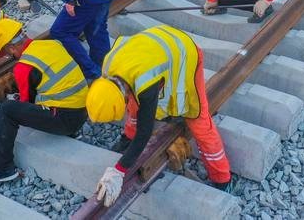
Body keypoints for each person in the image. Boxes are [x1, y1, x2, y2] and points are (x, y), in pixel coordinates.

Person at [86, 25, 233, 206]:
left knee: (198, 118)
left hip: (184, 51)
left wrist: (118, 170)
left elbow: (145, 132)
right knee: (134, 103)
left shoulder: (146, 83)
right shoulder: (108, 68)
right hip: (156, 43)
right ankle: (127, 138)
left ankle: (223, 178)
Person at [0, 19, 88, 185]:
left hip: (66, 122)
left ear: (11, 47)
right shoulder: (51, 44)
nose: (10, 55)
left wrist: (14, 99)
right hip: (82, 111)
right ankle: (73, 132)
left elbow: (26, 103)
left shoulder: (24, 67)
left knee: (7, 110)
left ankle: (1, 168)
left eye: (7, 51)